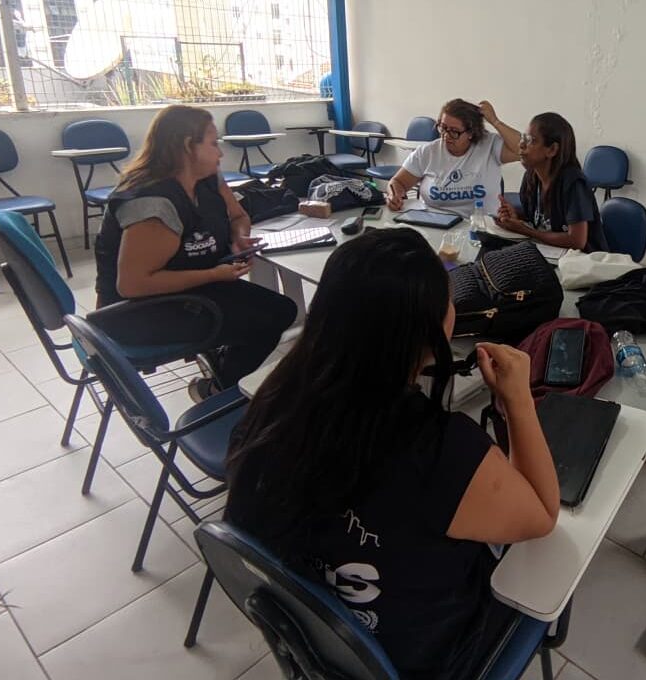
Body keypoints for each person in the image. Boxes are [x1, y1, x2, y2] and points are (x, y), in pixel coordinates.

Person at [224, 228, 560, 679]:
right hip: (425, 659)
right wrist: (518, 400)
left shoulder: (279, 394)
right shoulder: (437, 448)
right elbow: (541, 515)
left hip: (324, 647)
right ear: (429, 330)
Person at [94, 104, 296, 401]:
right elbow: (133, 285)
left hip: (192, 290)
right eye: (213, 144)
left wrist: (239, 238)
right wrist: (214, 274)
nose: (220, 153)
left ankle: (223, 369)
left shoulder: (207, 179)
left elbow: (239, 217)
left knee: (277, 309)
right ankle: (220, 392)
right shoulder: (154, 203)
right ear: (188, 146)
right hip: (137, 312)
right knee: (273, 316)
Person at [490, 112, 608, 252]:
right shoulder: (531, 177)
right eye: (523, 138)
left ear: (552, 150)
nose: (521, 144)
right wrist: (515, 215)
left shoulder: (573, 184)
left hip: (581, 262)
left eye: (530, 140)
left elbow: (577, 241)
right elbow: (537, 218)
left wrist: (527, 231)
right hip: (548, 253)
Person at [385, 99, 520, 214]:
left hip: (481, 228)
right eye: (443, 128)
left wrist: (495, 121)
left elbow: (522, 149)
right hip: (435, 223)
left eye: (454, 132)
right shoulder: (427, 152)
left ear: (471, 133)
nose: (446, 136)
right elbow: (398, 182)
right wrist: (394, 195)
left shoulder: (489, 146)